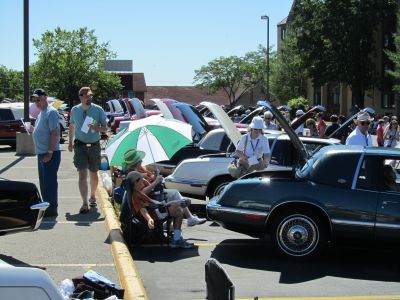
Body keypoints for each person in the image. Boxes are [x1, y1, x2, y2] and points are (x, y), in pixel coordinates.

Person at [122, 150, 207, 227]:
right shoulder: (132, 175)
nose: (141, 160)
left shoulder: (140, 169)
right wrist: (155, 182)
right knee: (177, 205)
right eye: (139, 160)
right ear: (136, 162)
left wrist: (155, 176)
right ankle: (180, 227)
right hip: (152, 202)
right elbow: (141, 195)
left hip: (154, 198)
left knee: (177, 205)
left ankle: (178, 226)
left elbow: (149, 181)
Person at [128, 171, 194, 248]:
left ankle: (176, 237)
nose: (143, 180)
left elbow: (150, 202)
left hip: (156, 208)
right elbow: (142, 209)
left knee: (177, 208)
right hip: (155, 213)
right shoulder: (135, 195)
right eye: (141, 179)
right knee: (179, 211)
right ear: (136, 182)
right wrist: (149, 219)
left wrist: (166, 203)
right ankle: (176, 239)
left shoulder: (137, 191)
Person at [68, 87, 108, 214]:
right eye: (87, 96)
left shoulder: (98, 109)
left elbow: (105, 129)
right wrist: (69, 142)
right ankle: (84, 203)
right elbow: (72, 126)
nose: (89, 98)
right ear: (81, 97)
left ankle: (92, 196)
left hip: (94, 145)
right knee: (82, 173)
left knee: (94, 173)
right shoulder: (75, 110)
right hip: (79, 146)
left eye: (91, 96)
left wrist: (96, 127)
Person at [31, 88, 61, 218]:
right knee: (44, 183)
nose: (36, 102)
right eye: (34, 100)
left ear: (45, 98)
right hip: (42, 153)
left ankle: (51, 209)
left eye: (38, 99)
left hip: (50, 153)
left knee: (49, 183)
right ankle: (46, 207)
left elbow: (54, 132)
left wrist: (49, 152)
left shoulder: (51, 112)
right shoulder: (41, 113)